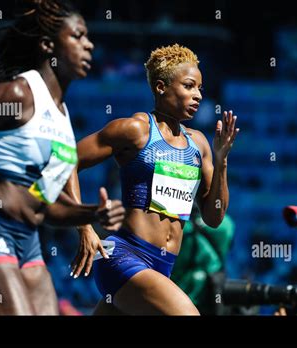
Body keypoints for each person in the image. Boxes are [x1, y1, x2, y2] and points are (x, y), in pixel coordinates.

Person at [0, 0, 124, 315]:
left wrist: (92, 214)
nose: (89, 45)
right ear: (48, 45)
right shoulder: (18, 94)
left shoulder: (62, 118)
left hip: (29, 241)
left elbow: (45, 204)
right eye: (78, 36)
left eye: (87, 37)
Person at [70, 44, 240, 315]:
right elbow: (68, 161)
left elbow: (214, 218)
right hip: (124, 257)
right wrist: (84, 226)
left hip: (162, 268)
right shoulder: (135, 130)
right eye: (188, 86)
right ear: (161, 87)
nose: (197, 96)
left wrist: (222, 161)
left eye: (200, 89)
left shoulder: (199, 144)